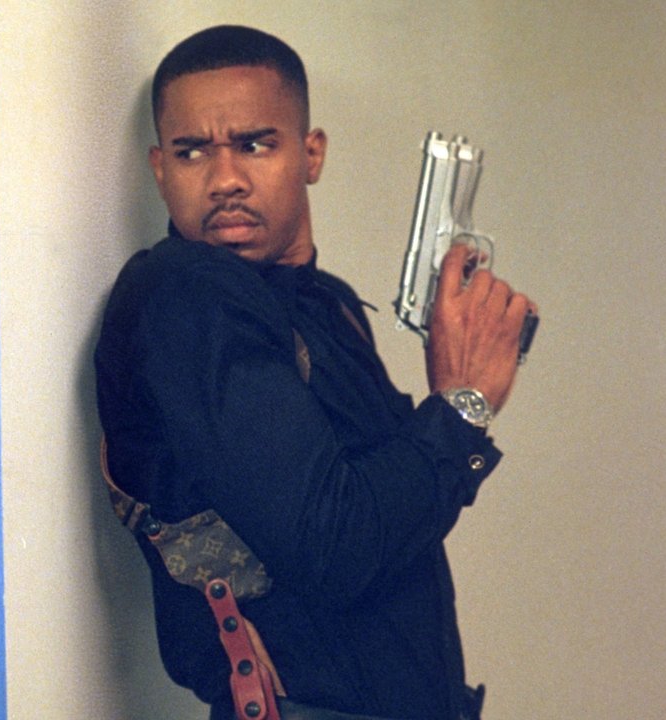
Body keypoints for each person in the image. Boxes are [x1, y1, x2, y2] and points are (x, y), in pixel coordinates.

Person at [94, 25, 535, 720]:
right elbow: (336, 550)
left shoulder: (324, 302)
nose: (225, 179)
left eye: (255, 144)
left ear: (311, 154)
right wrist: (462, 406)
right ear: (159, 168)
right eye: (192, 151)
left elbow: (389, 520)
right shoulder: (187, 296)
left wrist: (455, 404)